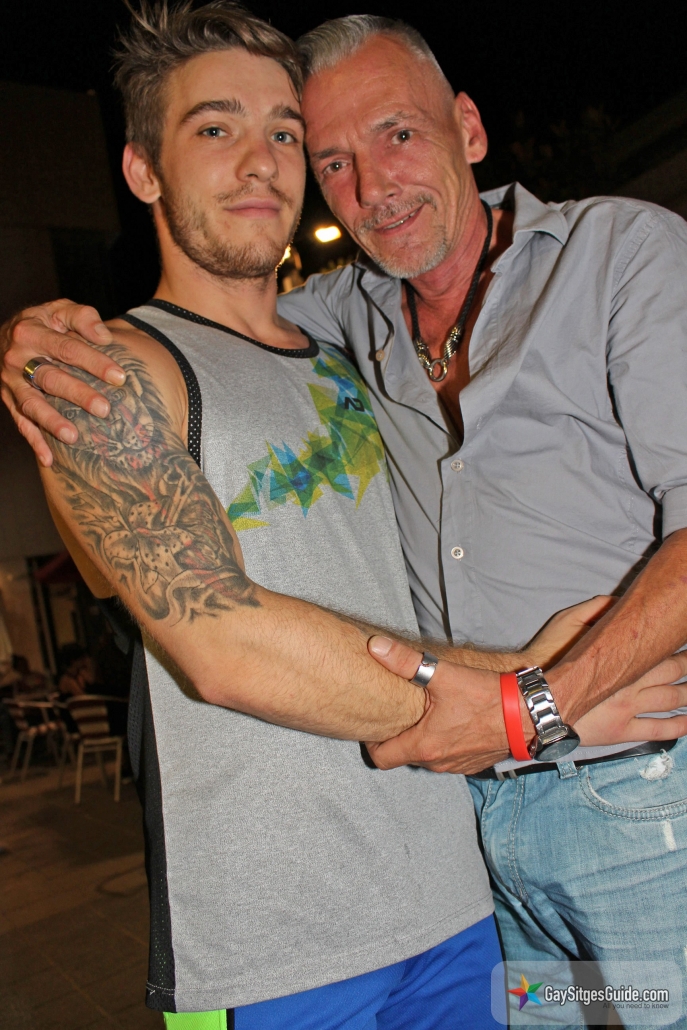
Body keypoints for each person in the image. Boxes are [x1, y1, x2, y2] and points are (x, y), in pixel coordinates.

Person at [3, 6, 687, 1027]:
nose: (269, 165)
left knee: (655, 1008)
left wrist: (535, 705)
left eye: (284, 133)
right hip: (337, 918)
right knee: (574, 1012)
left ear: (468, 127)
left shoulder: (590, 260)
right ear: (142, 169)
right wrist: (526, 703)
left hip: (573, 845)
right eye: (218, 129)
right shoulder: (152, 365)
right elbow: (214, 639)